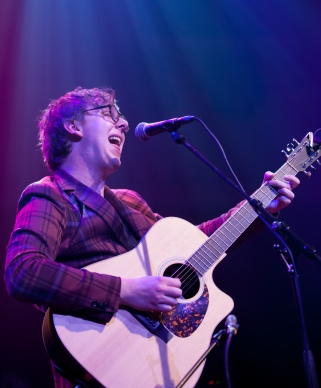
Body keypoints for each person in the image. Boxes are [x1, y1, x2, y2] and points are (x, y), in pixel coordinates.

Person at [4, 87, 300, 388]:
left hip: (154, 366)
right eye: (109, 114)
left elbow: (195, 247)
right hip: (98, 366)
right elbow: (24, 271)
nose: (123, 124)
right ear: (73, 126)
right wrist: (126, 291)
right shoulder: (49, 194)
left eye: (121, 118)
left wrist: (260, 207)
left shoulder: (130, 200)